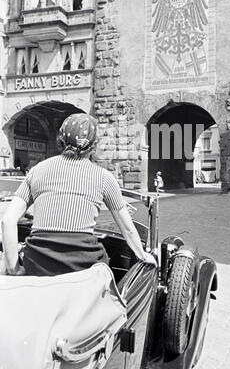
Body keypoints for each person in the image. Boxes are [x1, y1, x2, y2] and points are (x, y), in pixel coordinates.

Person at [1, 113, 156, 276]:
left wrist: (14, 268)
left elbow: (8, 221)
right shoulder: (104, 178)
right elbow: (128, 229)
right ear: (94, 146)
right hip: (84, 265)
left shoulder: (37, 171)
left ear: (60, 139)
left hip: (38, 263)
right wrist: (142, 255)